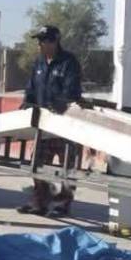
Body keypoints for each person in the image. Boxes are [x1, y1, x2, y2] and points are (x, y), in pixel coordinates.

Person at [17, 25, 83, 217]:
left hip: (65, 124)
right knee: (37, 163)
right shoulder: (38, 63)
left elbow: (72, 91)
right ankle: (40, 202)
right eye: (38, 40)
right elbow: (31, 87)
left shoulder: (69, 62)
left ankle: (63, 203)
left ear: (54, 41)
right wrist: (26, 102)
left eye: (43, 40)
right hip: (42, 124)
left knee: (67, 167)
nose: (39, 44)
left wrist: (60, 103)